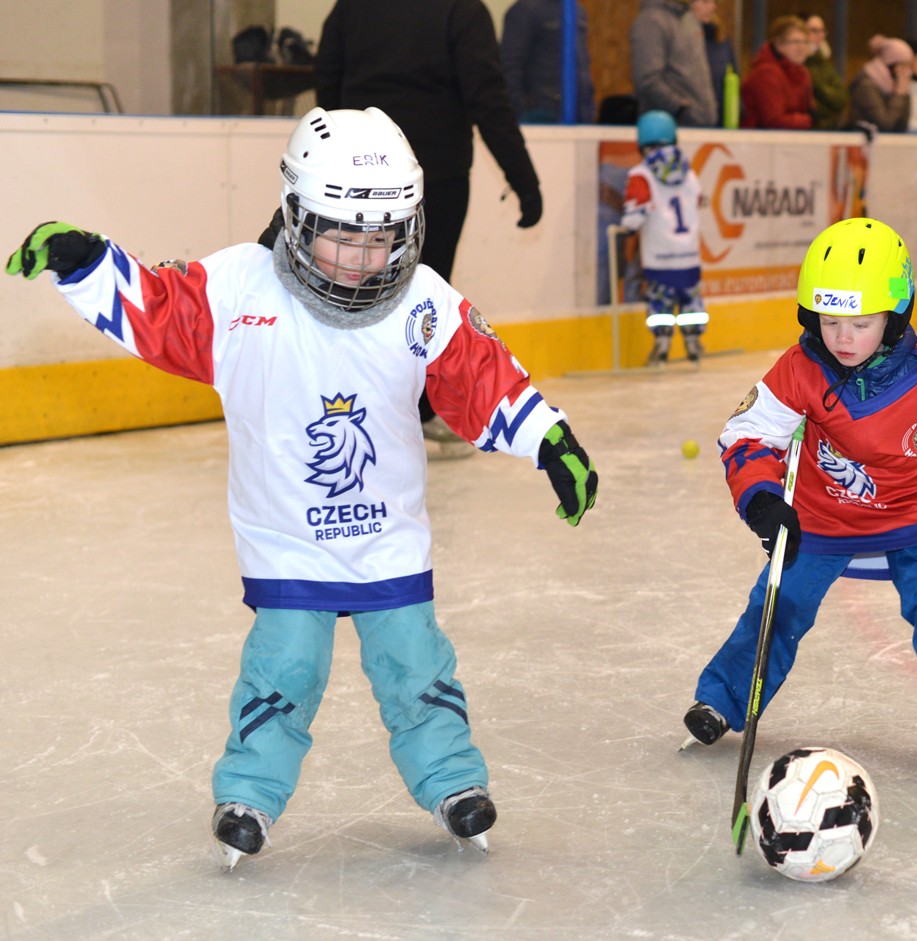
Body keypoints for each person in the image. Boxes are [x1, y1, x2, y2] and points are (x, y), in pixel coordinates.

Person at [4, 107, 599, 869]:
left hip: (386, 535)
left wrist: (550, 440)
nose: (360, 257)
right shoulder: (236, 288)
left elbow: (480, 377)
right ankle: (248, 790)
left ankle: (453, 782)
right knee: (283, 670)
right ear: (295, 212)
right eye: (342, 233)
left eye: (381, 235)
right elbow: (158, 309)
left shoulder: (422, 300)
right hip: (286, 538)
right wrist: (88, 262)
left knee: (417, 666)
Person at [680, 217, 917, 762]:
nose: (842, 338)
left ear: (894, 318)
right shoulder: (800, 370)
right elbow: (746, 435)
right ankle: (723, 699)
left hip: (916, 514)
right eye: (829, 320)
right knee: (779, 600)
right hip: (823, 518)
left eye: (861, 323)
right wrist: (763, 500)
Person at [314, 0, 544, 452]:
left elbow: (327, 81)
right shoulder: (462, 10)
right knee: (420, 297)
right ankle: (412, 412)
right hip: (433, 178)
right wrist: (524, 179)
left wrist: (334, 160)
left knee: (349, 290)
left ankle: (351, 405)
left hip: (356, 182)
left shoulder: (353, 8)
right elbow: (487, 96)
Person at [619, 110, 708, 364]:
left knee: (661, 301)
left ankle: (662, 342)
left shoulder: (641, 174)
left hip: (659, 256)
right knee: (691, 299)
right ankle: (693, 341)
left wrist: (628, 226)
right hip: (688, 254)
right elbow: (698, 199)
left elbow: (637, 208)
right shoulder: (689, 173)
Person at [500, 0, 596, 124]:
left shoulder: (577, 11)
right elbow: (510, 65)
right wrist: (522, 112)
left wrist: (588, 106)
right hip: (542, 115)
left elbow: (582, 63)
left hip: (580, 113)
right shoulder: (526, 10)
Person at [630, 0, 718, 128]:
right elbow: (647, 78)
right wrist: (679, 107)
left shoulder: (688, 20)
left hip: (699, 124)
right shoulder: (651, 21)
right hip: (669, 128)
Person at [740, 16, 814, 130]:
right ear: (779, 45)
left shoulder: (802, 74)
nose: (801, 47)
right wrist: (809, 121)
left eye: (805, 42)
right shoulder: (766, 73)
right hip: (758, 141)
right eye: (795, 42)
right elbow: (773, 120)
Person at [848, 35, 913, 133]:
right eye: (903, 65)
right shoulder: (867, 86)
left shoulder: (895, 86)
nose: (907, 72)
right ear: (891, 64)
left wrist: (903, 94)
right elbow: (885, 124)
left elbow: (902, 125)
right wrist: (898, 95)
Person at [691, 0, 739, 127]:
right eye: (705, 2)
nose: (712, 7)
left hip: (721, 120)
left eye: (714, 3)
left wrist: (738, 110)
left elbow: (734, 75)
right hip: (690, 119)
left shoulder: (722, 40)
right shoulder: (680, 40)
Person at [802, 13, 848, 129]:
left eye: (822, 31)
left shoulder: (824, 62)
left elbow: (841, 98)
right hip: (806, 128)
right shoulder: (798, 63)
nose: (820, 36)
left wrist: (821, 89)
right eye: (814, 30)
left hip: (825, 127)